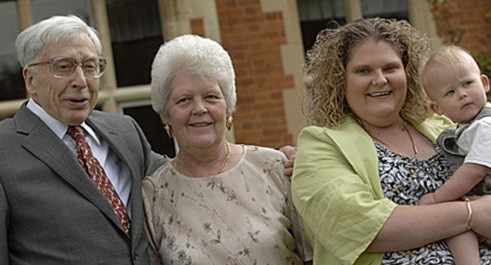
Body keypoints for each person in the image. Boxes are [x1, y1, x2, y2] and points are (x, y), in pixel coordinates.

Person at [291, 17, 491, 265]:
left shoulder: (446, 125)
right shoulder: (321, 144)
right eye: (364, 71)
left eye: (390, 68)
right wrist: (472, 214)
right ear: (341, 81)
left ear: (406, 73)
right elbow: (360, 227)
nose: (380, 79)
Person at [0, 15, 166, 265]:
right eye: (64, 66)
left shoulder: (125, 131)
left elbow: (181, 179)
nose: (81, 81)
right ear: (30, 79)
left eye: (89, 66)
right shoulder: (4, 149)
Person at [142, 34, 311, 265]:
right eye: (184, 100)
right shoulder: (152, 195)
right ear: (165, 116)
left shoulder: (276, 167)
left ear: (229, 108)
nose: (199, 108)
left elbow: (317, 255)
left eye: (211, 97)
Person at [418, 45, 491, 265]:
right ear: (436, 107)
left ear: (485, 83)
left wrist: (437, 198)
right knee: (456, 225)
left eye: (468, 83)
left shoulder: (486, 125)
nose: (463, 94)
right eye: (450, 92)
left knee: (456, 221)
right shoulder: (465, 128)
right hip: (482, 204)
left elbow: (474, 170)